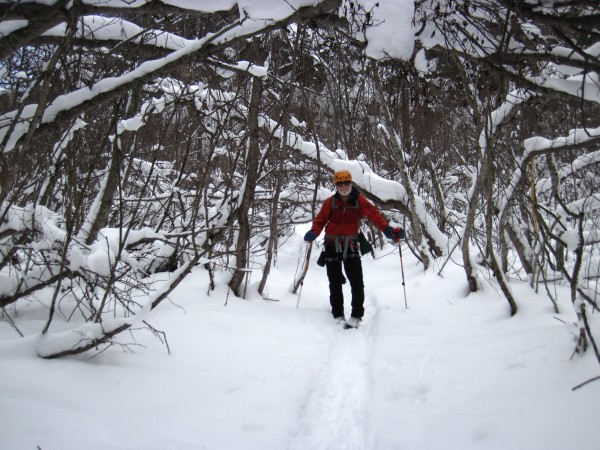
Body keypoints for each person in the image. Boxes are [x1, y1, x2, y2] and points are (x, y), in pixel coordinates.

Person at [303, 170, 404, 328]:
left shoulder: (359, 201)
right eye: (340, 183)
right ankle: (338, 314)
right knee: (334, 282)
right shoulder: (330, 202)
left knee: (357, 282)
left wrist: (387, 230)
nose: (344, 186)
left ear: (351, 183)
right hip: (331, 245)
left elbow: (374, 215)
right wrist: (314, 232)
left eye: (346, 183)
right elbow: (320, 219)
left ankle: (356, 315)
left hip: (351, 245)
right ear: (336, 185)